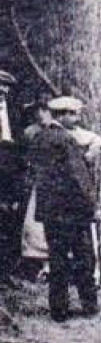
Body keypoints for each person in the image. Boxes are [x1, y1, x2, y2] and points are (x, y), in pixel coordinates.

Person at [29, 95, 100, 320]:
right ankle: (89, 306)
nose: (77, 120)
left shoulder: (39, 138)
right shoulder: (66, 140)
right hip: (73, 211)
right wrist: (92, 207)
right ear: (65, 115)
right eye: (75, 115)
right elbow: (79, 178)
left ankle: (58, 310)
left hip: (50, 211)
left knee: (57, 259)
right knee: (84, 258)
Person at [0, 70, 24, 285]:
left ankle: (5, 273)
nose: (2, 91)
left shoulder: (15, 112)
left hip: (10, 171)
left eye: (5, 87)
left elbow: (20, 146)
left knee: (10, 223)